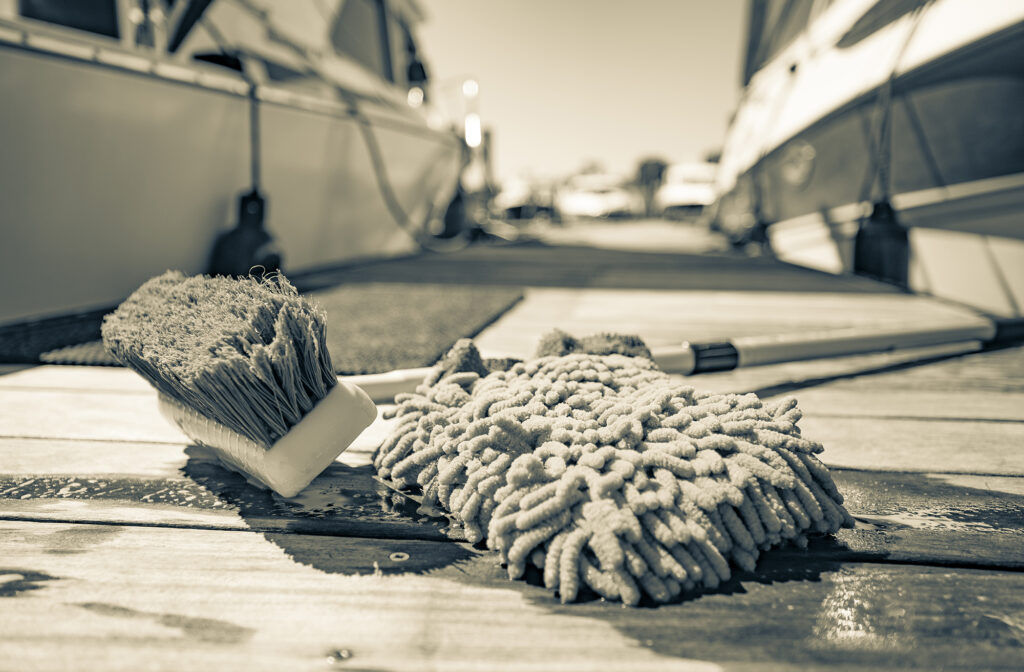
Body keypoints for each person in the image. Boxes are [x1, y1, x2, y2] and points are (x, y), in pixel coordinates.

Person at [207, 190, 282, 277]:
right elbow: (214, 272)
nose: (251, 216)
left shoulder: (268, 242)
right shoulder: (227, 240)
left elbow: (275, 274)